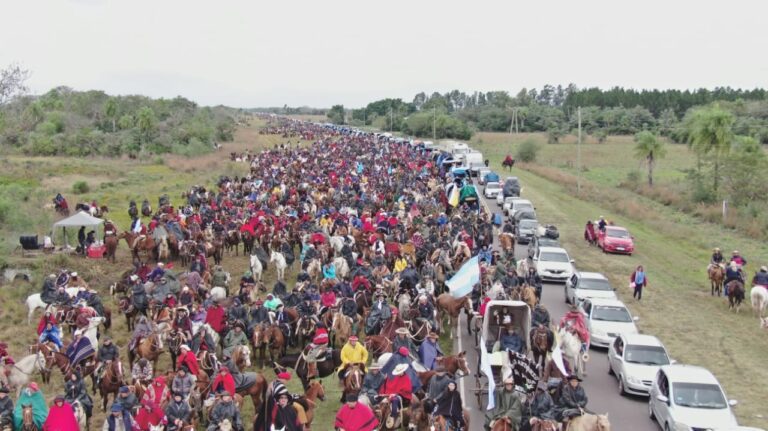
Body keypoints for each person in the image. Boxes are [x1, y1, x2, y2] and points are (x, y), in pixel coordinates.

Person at [378, 363, 413, 429]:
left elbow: (407, 390)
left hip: (404, 396)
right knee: (383, 400)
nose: (398, 374)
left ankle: (393, 416)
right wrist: (391, 393)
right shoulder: (397, 377)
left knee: (395, 400)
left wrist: (396, 394)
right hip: (396, 394)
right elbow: (394, 387)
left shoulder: (406, 378)